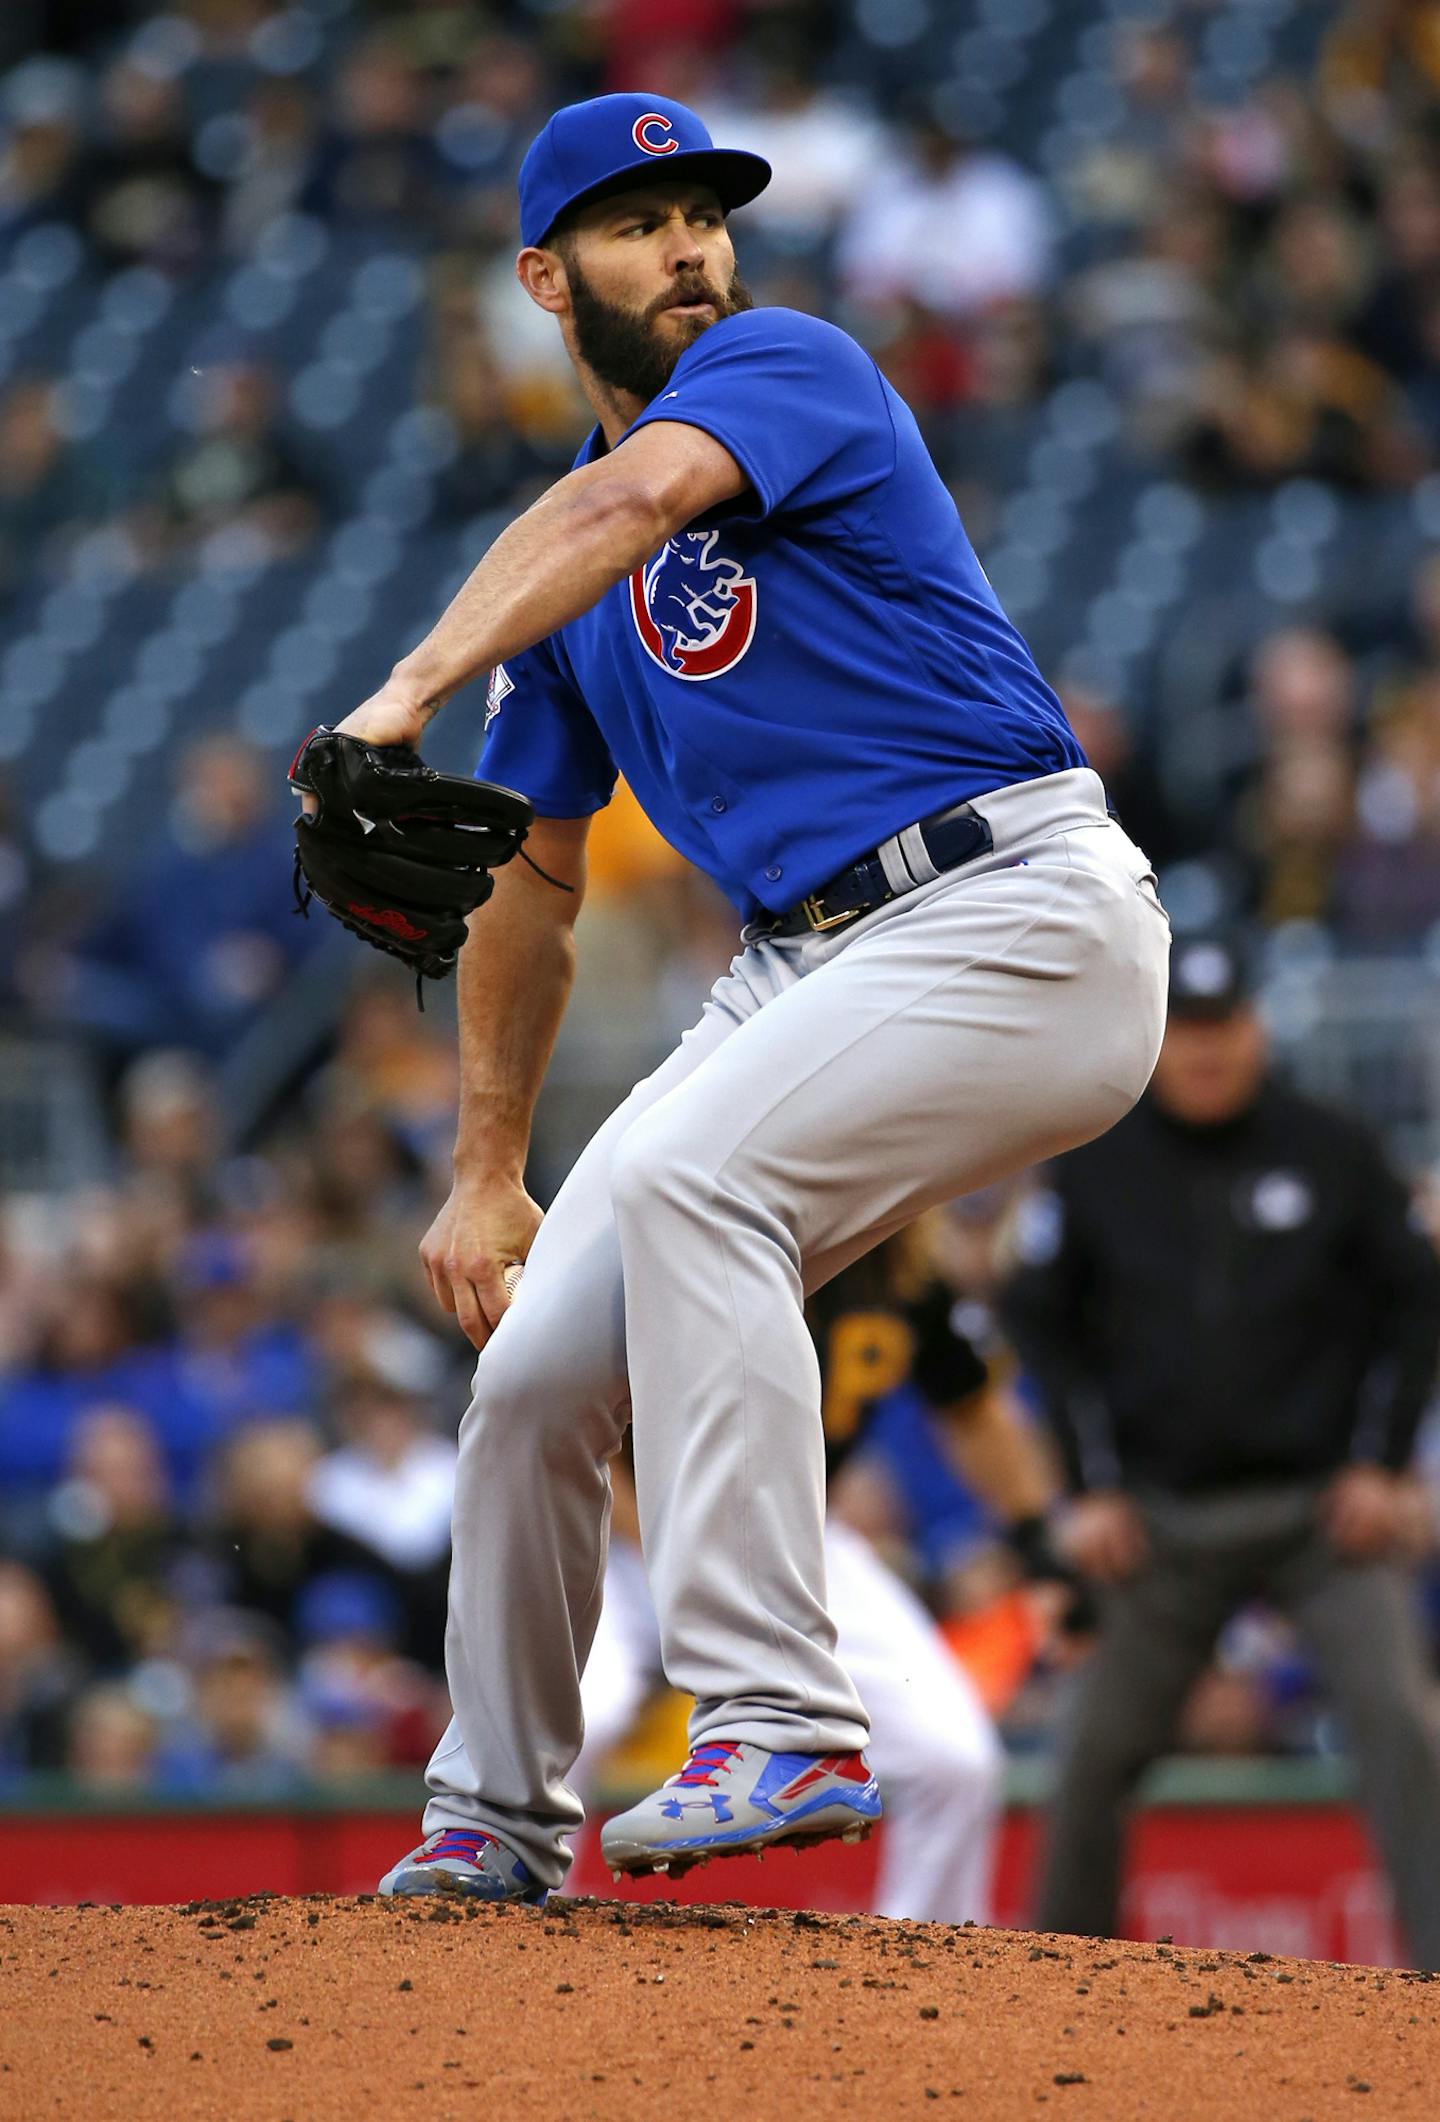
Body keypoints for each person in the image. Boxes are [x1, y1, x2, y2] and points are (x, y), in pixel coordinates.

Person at [325, 91, 1169, 1905]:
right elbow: (531, 877)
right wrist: (484, 1164)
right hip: (813, 961)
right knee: (542, 1367)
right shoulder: (553, 574)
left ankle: (783, 1709)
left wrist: (398, 689)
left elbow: (636, 496)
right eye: (640, 223)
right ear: (547, 278)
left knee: (711, 1183)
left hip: (1013, 904)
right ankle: (494, 1815)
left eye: (705, 210)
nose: (692, 243)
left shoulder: (787, 364)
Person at [1001, 933, 1440, 1966]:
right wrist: (1089, 1487)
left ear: (1257, 1028)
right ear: (1157, 1039)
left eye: (1223, 1028)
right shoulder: (1098, 1163)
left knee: (1403, 1732)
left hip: (1321, 1516)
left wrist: (1383, 1460)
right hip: (1161, 1518)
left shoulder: (1333, 1148)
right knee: (1091, 1755)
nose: (1206, 1054)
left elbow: (1418, 1304)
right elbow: (1040, 1326)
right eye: (1186, 1033)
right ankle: (1057, 1987)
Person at [574, 1220, 1079, 1924]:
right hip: (620, 1534)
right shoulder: (690, 1229)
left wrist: (1035, 1541)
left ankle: (923, 1972)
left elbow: (972, 1406)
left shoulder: (899, 1263)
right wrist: (687, 1562)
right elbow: (579, 1428)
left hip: (793, 1537)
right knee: (570, 1723)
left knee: (954, 1760)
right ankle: (517, 1944)